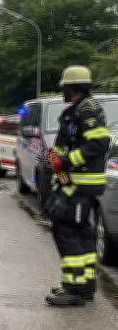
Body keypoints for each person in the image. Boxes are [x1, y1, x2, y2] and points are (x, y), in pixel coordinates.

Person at [43, 65, 111, 306]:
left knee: (69, 234)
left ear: (73, 88)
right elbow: (64, 145)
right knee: (80, 234)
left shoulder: (89, 112)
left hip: (82, 186)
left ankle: (73, 289)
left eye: (64, 88)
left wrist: (66, 161)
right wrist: (53, 155)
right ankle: (84, 287)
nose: (62, 91)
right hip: (72, 185)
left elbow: (99, 144)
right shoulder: (72, 113)